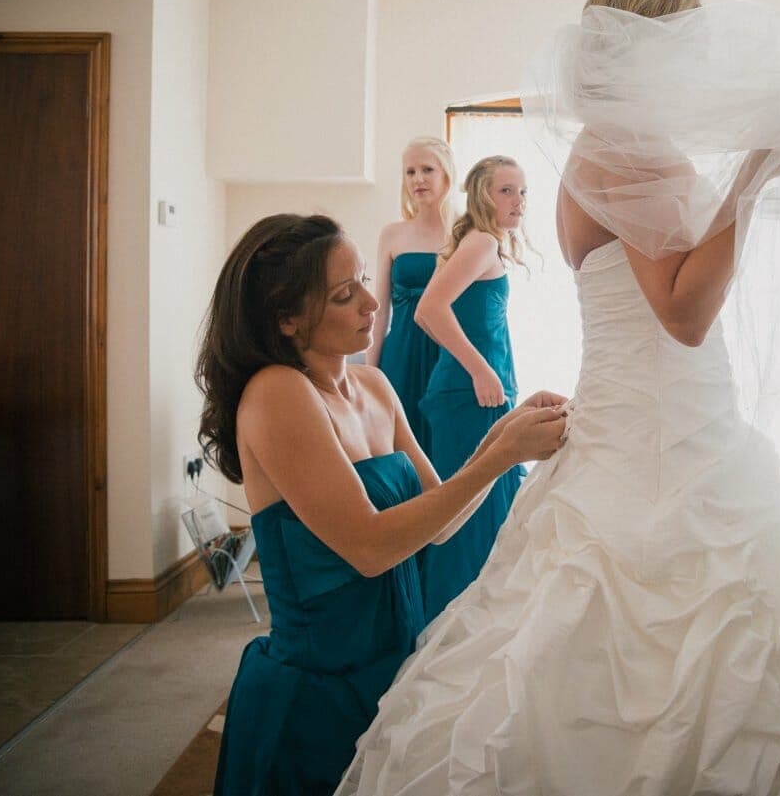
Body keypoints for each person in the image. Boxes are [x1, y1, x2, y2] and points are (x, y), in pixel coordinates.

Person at [338, 0, 780, 795]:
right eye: (688, 47)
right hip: (653, 435)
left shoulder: (620, 146)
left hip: (681, 420)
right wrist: (754, 173)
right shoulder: (620, 150)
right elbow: (682, 312)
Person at [195, 213, 566, 796]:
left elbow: (436, 524)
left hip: (395, 664)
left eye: (364, 280)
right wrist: (498, 459)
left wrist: (503, 434)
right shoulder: (277, 393)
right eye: (345, 295)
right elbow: (370, 547)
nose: (373, 302)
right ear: (286, 318)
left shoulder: (373, 386)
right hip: (319, 688)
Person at [412, 156, 530, 621]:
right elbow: (429, 309)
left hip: (482, 393)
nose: (518, 201)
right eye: (506, 191)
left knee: (481, 516)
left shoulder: (488, 244)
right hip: (469, 396)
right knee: (466, 524)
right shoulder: (480, 242)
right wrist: (482, 371)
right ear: (482, 195)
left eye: (522, 191)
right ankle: (450, 633)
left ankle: (473, 633)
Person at [368, 137, 457, 452]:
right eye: (410, 172)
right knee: (402, 451)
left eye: (427, 169)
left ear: (446, 174)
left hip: (449, 355)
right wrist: (369, 375)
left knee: (448, 449)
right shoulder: (392, 234)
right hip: (401, 356)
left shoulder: (465, 234)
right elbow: (379, 312)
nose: (418, 179)